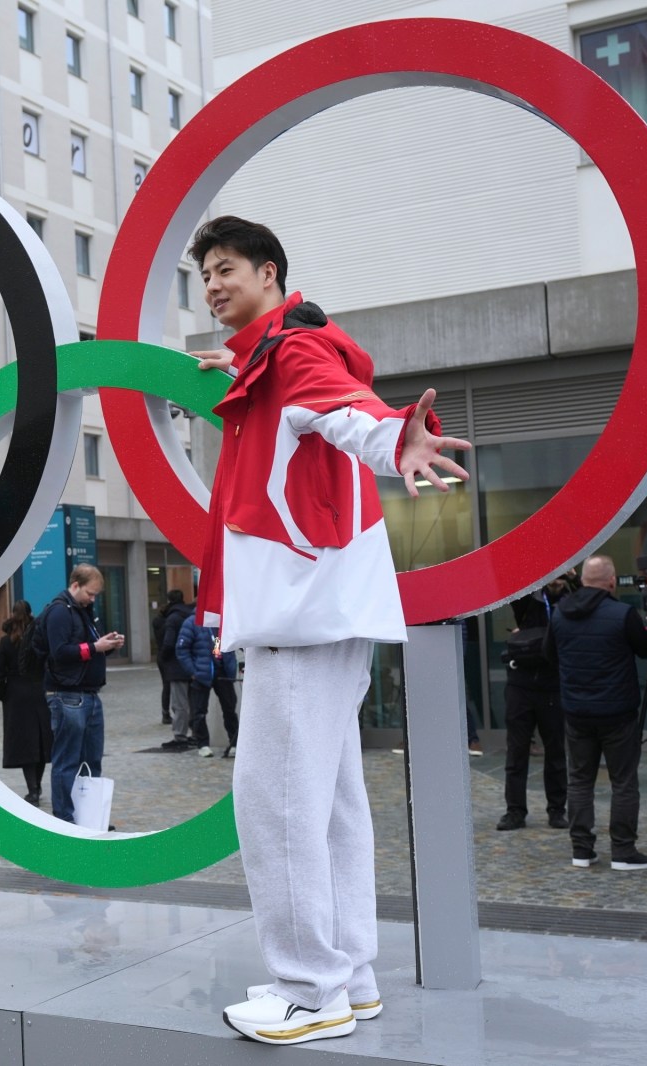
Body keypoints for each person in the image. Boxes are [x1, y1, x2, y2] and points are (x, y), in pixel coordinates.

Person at [185, 217, 470, 1046]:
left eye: (226, 268)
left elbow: (351, 415)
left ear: (269, 272)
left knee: (274, 801)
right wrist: (238, 360)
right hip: (321, 611)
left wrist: (397, 438)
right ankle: (351, 976)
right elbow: (309, 398)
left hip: (299, 614)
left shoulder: (298, 355)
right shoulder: (278, 353)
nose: (211, 284)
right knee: (333, 802)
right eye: (204, 274)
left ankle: (310, 990)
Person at [543, 554, 647, 873]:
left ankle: (582, 850)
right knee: (623, 781)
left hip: (577, 712)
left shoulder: (560, 615)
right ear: (611, 581)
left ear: (582, 580)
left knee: (579, 780)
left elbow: (549, 655)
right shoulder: (623, 613)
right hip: (617, 712)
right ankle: (623, 850)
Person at [40, 564, 125, 823]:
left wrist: (106, 645)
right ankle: (65, 820)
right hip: (67, 695)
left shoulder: (83, 611)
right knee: (67, 762)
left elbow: (86, 648)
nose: (93, 599)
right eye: (90, 593)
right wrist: (95, 647)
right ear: (75, 585)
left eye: (96, 595)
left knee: (91, 760)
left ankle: (89, 816)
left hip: (89, 694)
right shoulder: (59, 612)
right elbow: (60, 652)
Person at [496, 571, 577, 831]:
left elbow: (587, 595)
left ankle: (557, 809)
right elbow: (512, 583)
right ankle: (515, 811)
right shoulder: (529, 599)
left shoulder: (571, 600)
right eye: (554, 578)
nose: (557, 583)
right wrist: (543, 569)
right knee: (517, 752)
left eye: (561, 579)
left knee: (555, 751)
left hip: (552, 685)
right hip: (521, 684)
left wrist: (573, 579)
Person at [0, 600, 53, 807]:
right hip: (38, 692)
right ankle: (36, 786)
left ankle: (33, 790)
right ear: (31, 613)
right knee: (40, 741)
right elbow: (48, 663)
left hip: (16, 696)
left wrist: (4, 694)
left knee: (25, 744)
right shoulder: (38, 639)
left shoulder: (5, 642)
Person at [175, 613, 240, 758]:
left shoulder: (221, 621)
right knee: (199, 711)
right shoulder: (192, 622)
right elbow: (181, 649)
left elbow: (223, 644)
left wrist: (230, 665)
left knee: (230, 709)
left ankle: (234, 743)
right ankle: (202, 744)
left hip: (223, 673)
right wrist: (193, 672)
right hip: (201, 674)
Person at [156, 589, 195, 750]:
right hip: (193, 665)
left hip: (176, 666)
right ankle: (197, 734)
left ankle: (180, 735)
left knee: (179, 703)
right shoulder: (191, 616)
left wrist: (164, 658)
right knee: (193, 703)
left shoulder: (172, 618)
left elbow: (169, 643)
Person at [151, 593, 179, 725]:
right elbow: (168, 642)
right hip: (169, 656)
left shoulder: (158, 620)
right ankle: (171, 714)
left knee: (167, 686)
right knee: (173, 686)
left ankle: (166, 713)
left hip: (162, 655)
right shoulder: (173, 620)